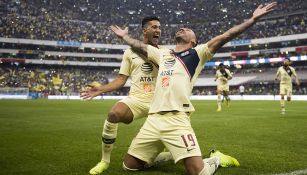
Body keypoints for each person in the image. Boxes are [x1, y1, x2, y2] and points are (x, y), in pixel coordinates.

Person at [111, 2, 276, 174]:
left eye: (187, 29)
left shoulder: (198, 54)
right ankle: (167, 155)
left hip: (177, 120)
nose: (182, 28)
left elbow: (227, 35)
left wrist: (253, 19)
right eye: (181, 27)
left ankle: (217, 158)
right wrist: (124, 37)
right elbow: (140, 47)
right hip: (153, 120)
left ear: (193, 40)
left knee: (198, 172)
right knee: (129, 166)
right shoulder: (163, 54)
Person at [80, 16, 172, 175]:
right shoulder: (129, 53)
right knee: (114, 114)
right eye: (154, 27)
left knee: (153, 147)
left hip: (159, 103)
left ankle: (168, 155)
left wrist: (146, 51)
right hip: (136, 99)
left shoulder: (164, 52)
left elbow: (166, 71)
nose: (158, 30)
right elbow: (121, 80)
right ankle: (104, 161)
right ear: (145, 30)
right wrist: (101, 89)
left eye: (159, 27)